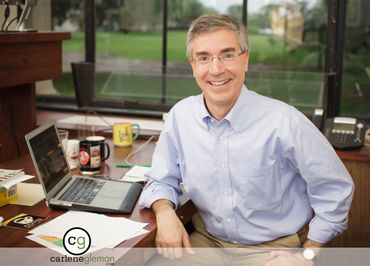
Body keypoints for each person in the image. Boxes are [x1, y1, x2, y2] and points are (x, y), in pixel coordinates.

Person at [139, 14, 354, 265]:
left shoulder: (285, 122)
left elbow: (336, 188)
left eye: (228, 55)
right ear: (193, 65)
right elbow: (160, 179)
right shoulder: (180, 117)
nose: (216, 68)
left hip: (276, 248)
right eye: (204, 57)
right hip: (210, 243)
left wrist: (308, 252)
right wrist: (164, 212)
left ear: (246, 60)